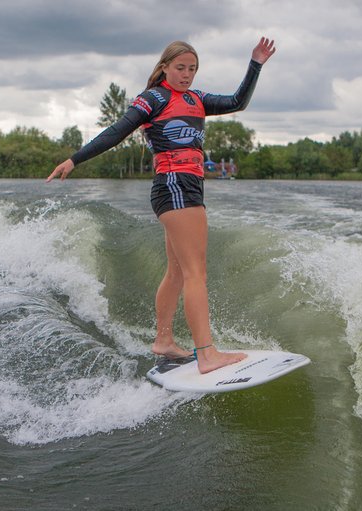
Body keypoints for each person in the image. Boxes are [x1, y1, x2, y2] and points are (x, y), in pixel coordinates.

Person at [47, 37, 276, 374]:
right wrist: (74, 160)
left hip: (186, 187)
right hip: (175, 186)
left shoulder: (198, 99)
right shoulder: (153, 99)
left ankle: (164, 341)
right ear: (165, 67)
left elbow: (238, 101)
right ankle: (207, 354)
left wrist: (255, 64)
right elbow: (115, 131)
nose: (186, 74)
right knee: (196, 272)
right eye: (180, 67)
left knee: (179, 272)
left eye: (192, 69)